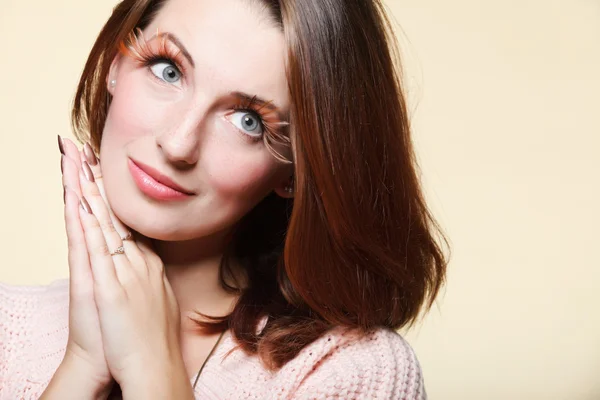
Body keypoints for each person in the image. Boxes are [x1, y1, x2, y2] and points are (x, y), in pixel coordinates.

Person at [0, 0, 447, 398]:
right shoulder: (7, 329)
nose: (178, 144)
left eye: (249, 120)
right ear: (116, 63)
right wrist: (81, 366)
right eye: (168, 70)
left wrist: (153, 371)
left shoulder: (350, 375)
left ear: (296, 170)